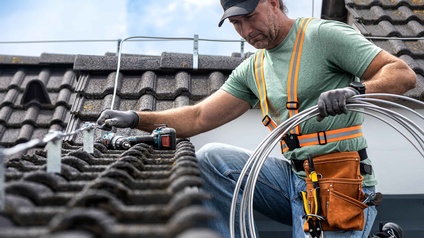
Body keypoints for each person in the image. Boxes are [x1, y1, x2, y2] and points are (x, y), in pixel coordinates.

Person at [96, 0, 416, 237]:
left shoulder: (322, 36)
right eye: (237, 24)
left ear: (274, 3)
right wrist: (137, 117)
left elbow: (402, 73)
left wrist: (356, 90)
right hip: (292, 180)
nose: (246, 31)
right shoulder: (253, 69)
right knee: (211, 159)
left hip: (338, 182)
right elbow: (197, 117)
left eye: (250, 17)